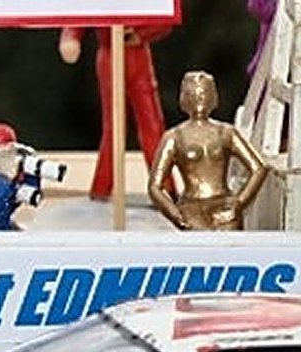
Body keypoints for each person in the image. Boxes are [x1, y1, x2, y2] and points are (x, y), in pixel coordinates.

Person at [60, 21, 173, 199]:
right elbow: (79, 14)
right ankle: (102, 187)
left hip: (138, 57)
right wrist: (71, 36)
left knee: (152, 123)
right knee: (114, 127)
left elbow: (164, 20)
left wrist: (142, 34)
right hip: (110, 57)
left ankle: (164, 186)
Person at [150, 72, 269, 231]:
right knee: (198, 238)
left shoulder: (226, 132)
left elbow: (259, 168)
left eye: (204, 93)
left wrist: (239, 203)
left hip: (224, 203)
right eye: (192, 93)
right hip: (190, 207)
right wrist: (174, 213)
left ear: (213, 97)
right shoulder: (174, 136)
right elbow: (155, 186)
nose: (199, 98)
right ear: (184, 98)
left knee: (228, 236)